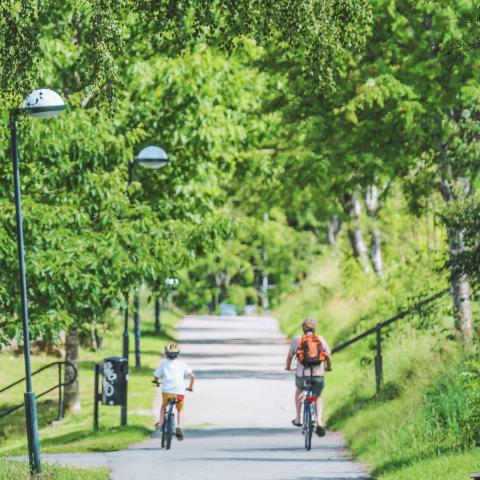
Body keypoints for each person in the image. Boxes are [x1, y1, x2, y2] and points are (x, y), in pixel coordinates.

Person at [285, 318, 331, 437]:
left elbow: (290, 356)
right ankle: (319, 422)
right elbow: (328, 355)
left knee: (299, 391)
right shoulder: (320, 339)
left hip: (302, 375)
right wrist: (328, 367)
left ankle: (298, 418)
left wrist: (288, 367)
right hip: (318, 375)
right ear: (315, 328)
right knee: (318, 396)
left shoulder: (297, 339)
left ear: (303, 328)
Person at [153, 341, 195, 441]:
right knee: (180, 409)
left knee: (163, 406)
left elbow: (156, 375)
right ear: (178, 353)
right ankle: (179, 427)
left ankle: (161, 422)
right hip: (179, 392)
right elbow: (192, 376)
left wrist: (156, 381)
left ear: (166, 353)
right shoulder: (181, 364)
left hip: (167, 392)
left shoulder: (163, 364)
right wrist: (190, 386)